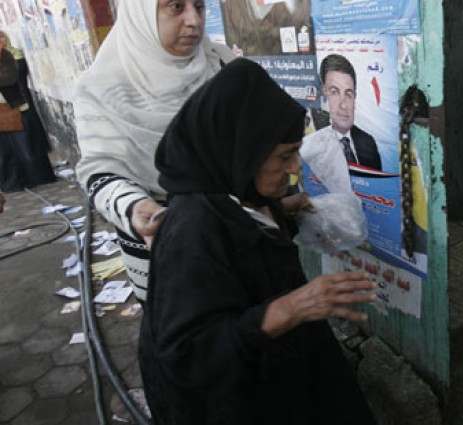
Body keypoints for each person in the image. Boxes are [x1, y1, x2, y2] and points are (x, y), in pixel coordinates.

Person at [139, 58, 377, 424]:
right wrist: (292, 307)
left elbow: (245, 238)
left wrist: (285, 212)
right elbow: (189, 356)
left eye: (295, 152)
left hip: (280, 373)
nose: (295, 168)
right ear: (242, 152)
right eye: (284, 157)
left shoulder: (236, 192)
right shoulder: (191, 231)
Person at [74, 0, 235, 301]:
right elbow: (99, 169)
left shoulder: (224, 66)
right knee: (181, 320)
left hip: (235, 229)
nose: (194, 20)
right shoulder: (101, 88)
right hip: (157, 240)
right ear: (141, 14)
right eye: (176, 6)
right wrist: (136, 208)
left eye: (199, 6)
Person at [303, 54, 382, 176]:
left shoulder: (368, 142)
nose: (343, 105)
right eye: (334, 92)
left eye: (348, 94)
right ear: (323, 94)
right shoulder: (311, 140)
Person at [0, 30, 55, 192]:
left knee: (26, 147)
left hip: (14, 106)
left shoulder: (8, 55)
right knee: (6, 153)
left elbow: (11, 78)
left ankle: (37, 178)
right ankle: (13, 184)